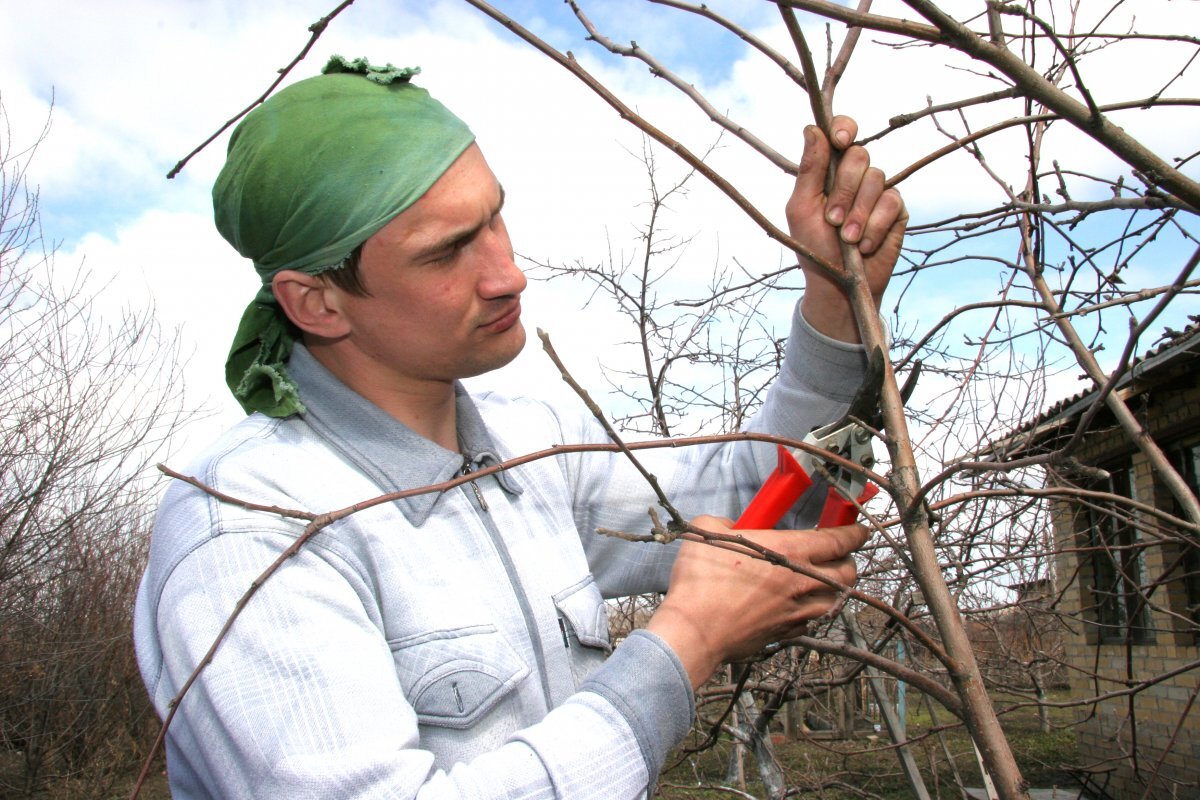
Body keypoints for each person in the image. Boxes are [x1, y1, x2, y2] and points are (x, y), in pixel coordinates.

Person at [134, 56, 906, 799]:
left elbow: (754, 502)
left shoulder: (534, 446)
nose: (508, 273)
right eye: (447, 253)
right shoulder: (248, 530)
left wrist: (837, 300)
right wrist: (685, 645)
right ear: (317, 303)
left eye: (494, 217)